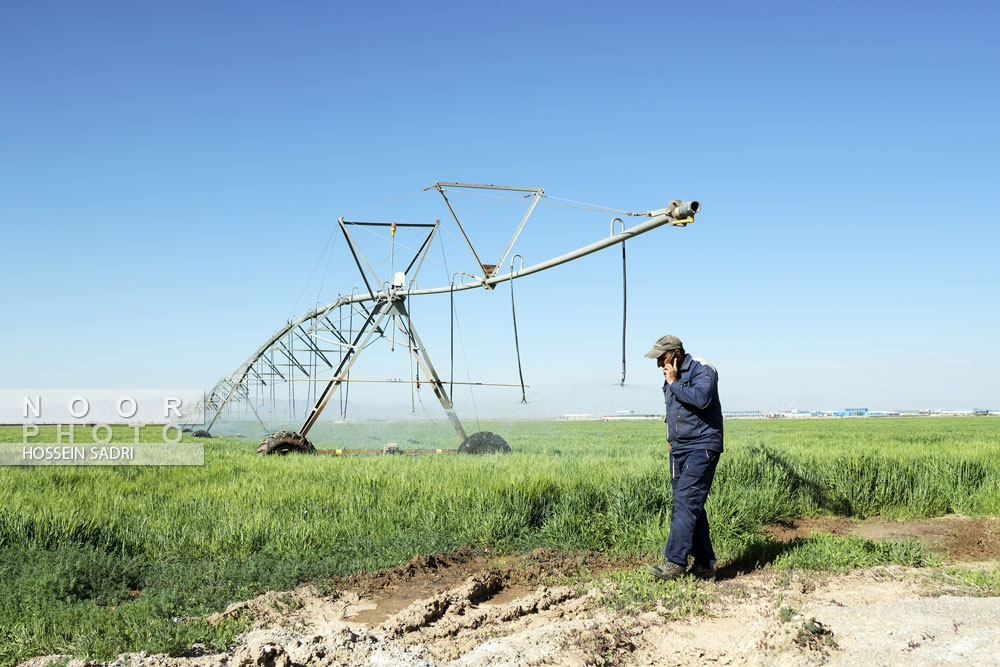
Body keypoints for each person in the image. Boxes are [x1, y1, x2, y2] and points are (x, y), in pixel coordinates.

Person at [644, 335, 723, 582]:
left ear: (677, 353)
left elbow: (701, 399)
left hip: (702, 447)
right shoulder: (671, 376)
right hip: (679, 449)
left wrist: (674, 381)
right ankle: (705, 565)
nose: (660, 364)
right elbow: (673, 411)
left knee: (685, 503)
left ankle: (675, 563)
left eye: (662, 358)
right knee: (690, 506)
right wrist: (671, 440)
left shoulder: (702, 368)